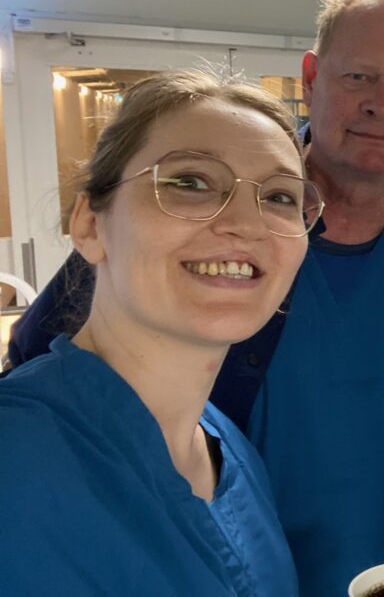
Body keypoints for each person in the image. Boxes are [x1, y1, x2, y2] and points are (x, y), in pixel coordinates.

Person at [7, 0, 384, 595]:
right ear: (312, 79)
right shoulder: (156, 241)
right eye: (360, 76)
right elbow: (45, 379)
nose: (383, 103)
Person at [0, 69, 320, 594]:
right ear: (89, 225)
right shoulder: (15, 461)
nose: (247, 223)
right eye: (190, 182)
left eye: (281, 197)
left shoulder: (230, 452)